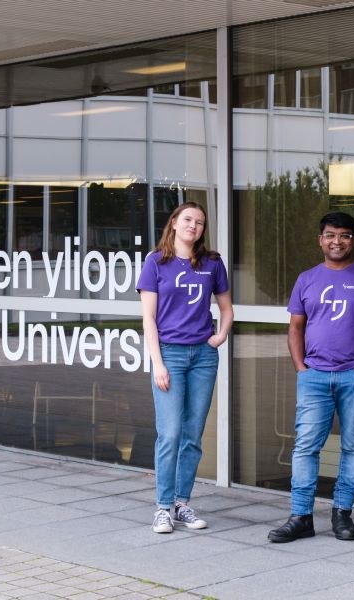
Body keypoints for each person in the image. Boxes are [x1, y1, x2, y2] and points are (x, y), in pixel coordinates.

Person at [268, 212, 354, 543]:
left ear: (353, 240)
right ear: (320, 240)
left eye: (344, 235)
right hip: (314, 376)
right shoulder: (307, 279)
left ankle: (342, 514)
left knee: (353, 445)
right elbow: (295, 327)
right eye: (330, 235)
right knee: (306, 446)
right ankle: (301, 517)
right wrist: (301, 369)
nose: (337, 241)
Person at [137, 201, 233, 534]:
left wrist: (219, 336)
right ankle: (162, 508)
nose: (194, 226)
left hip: (203, 358)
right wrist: (158, 363)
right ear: (174, 223)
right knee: (171, 434)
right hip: (170, 356)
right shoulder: (156, 262)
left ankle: (182, 503)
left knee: (192, 435)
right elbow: (148, 317)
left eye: (200, 222)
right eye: (188, 220)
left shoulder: (211, 263)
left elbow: (226, 308)